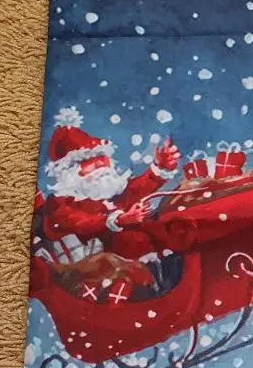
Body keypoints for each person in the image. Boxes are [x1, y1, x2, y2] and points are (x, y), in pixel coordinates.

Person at [41, 106, 182, 295]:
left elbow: (136, 189)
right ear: (69, 174)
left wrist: (160, 168)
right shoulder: (61, 204)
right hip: (95, 275)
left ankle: (166, 274)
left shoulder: (110, 192)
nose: (101, 167)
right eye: (90, 162)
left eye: (101, 159)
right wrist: (118, 220)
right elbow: (80, 222)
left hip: (138, 264)